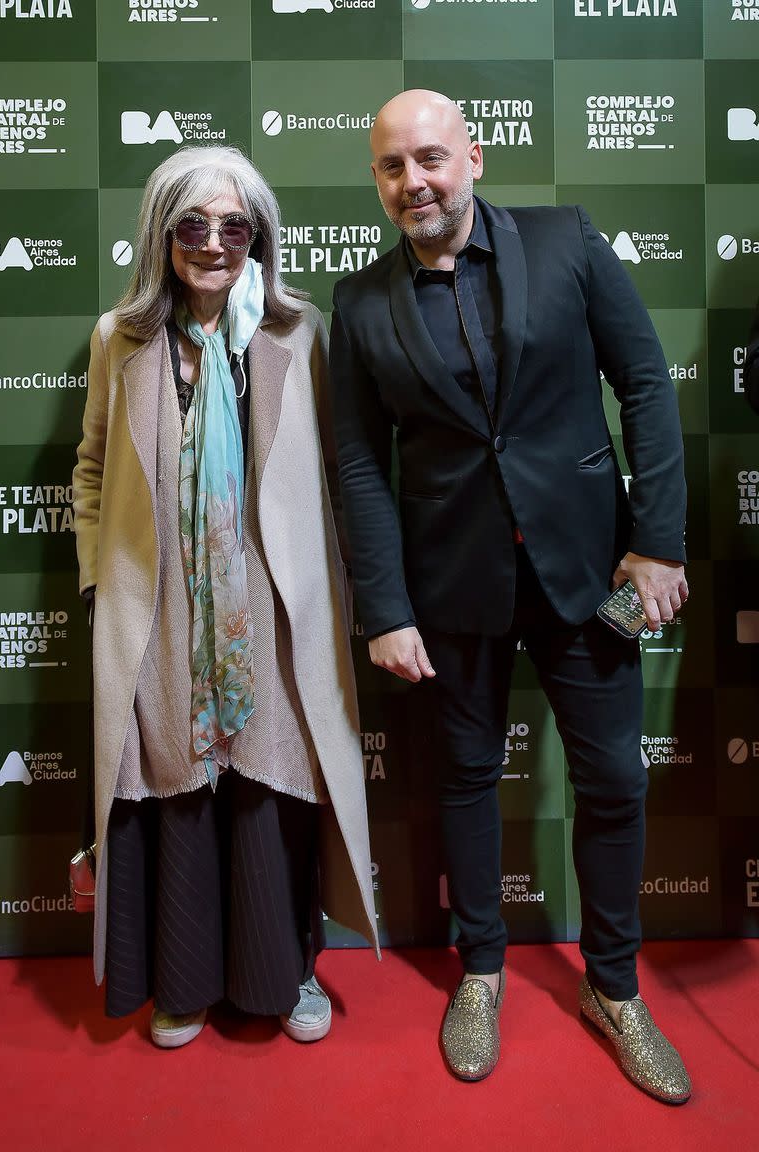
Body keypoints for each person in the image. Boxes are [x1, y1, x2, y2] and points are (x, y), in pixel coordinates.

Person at [329, 90, 691, 1101]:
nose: (418, 182)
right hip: (452, 588)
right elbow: (360, 466)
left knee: (615, 781)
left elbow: (648, 385)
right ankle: (479, 971)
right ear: (378, 181)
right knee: (466, 780)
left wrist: (658, 543)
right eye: (395, 168)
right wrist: (386, 608)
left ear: (474, 158)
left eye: (433, 159)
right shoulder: (358, 304)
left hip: (589, 575)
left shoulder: (566, 240)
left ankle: (613, 987)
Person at [73, 144, 377, 1049]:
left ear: (260, 236)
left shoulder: (298, 336)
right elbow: (90, 469)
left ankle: (285, 975)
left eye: (234, 225)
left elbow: (338, 471)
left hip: (273, 615)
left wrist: (343, 599)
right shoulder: (118, 339)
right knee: (175, 786)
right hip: (161, 612)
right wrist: (101, 578)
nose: (214, 243)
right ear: (163, 237)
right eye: (192, 226)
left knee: (268, 789)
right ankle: (184, 980)